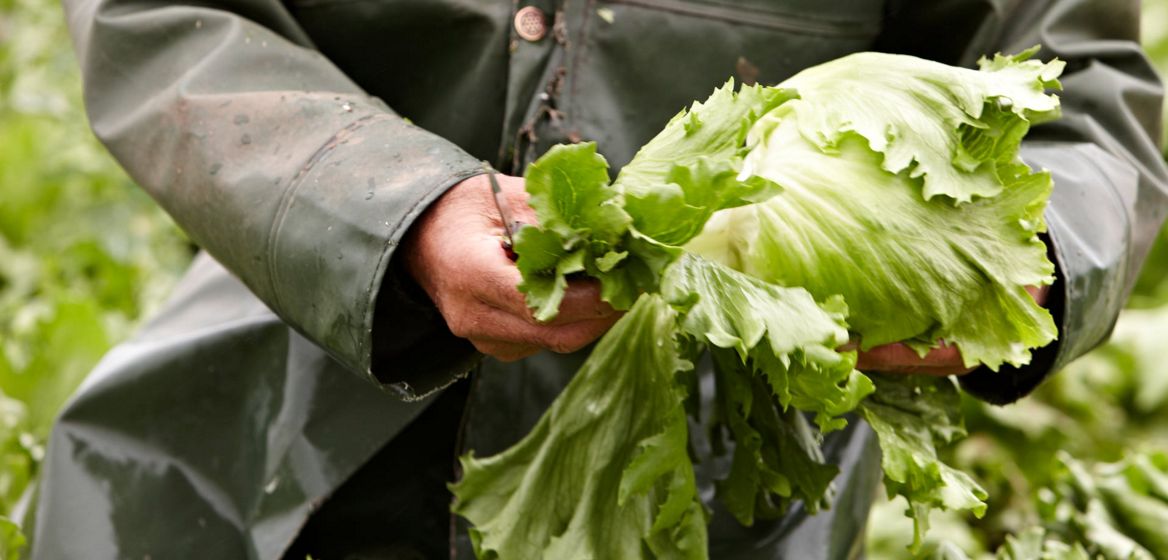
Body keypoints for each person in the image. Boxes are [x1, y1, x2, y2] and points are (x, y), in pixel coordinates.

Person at [33, 0, 1167, 558]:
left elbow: (1081, 87)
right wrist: (392, 210)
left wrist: (1023, 262)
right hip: (275, 402)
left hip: (723, 476)